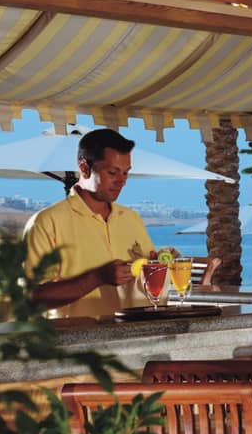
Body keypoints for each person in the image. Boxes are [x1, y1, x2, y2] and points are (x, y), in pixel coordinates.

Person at [23, 128, 157, 318]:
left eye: (126, 173)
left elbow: (145, 276)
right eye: (113, 172)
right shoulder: (46, 222)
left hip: (134, 339)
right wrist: (97, 277)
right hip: (78, 343)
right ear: (85, 169)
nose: (121, 181)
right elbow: (31, 297)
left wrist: (160, 263)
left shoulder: (131, 218)